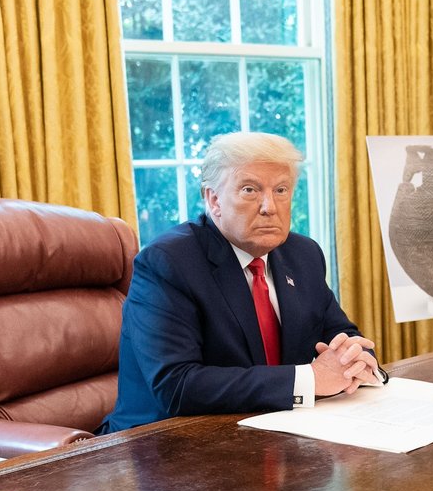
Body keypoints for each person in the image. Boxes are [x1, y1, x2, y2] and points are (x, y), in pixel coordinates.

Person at [102, 132, 383, 434]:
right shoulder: (168, 262)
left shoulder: (303, 254)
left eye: (281, 190)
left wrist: (357, 360)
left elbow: (341, 333)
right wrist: (311, 379)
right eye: (250, 190)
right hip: (163, 446)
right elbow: (178, 386)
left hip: (272, 435)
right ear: (214, 199)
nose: (269, 207)